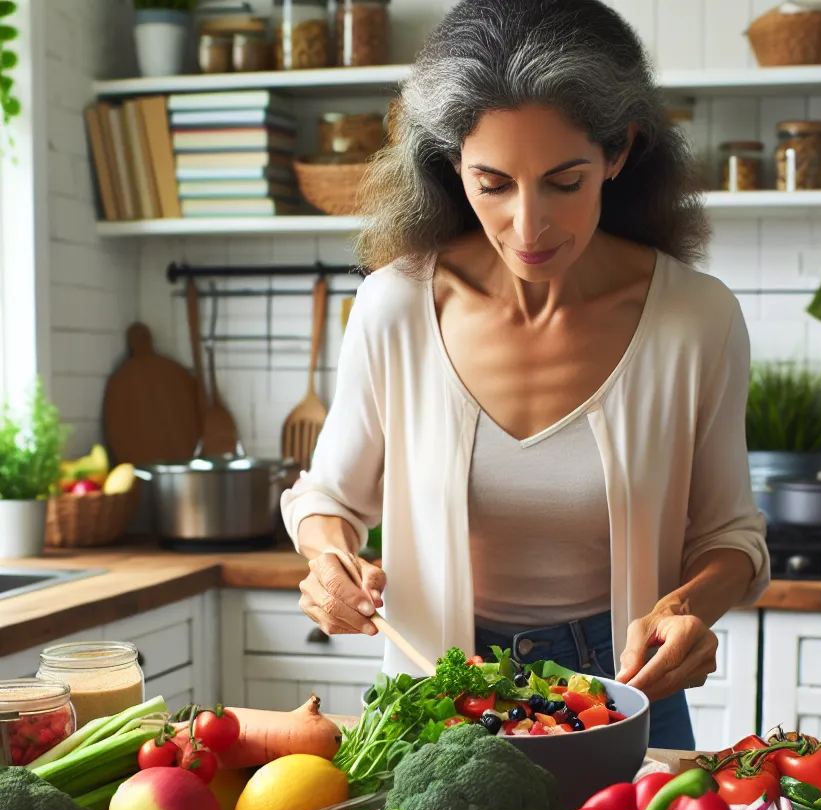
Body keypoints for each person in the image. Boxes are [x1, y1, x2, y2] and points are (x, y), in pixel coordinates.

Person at [282, 0, 769, 750]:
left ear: (619, 151)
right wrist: (328, 561)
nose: (528, 226)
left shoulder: (695, 319)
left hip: (626, 687)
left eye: (564, 181)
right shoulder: (394, 308)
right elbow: (328, 498)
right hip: (436, 687)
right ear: (452, 164)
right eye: (493, 183)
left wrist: (687, 607)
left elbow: (731, 536)